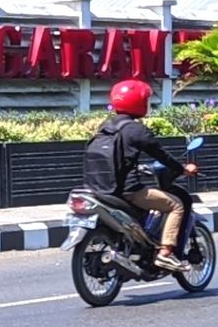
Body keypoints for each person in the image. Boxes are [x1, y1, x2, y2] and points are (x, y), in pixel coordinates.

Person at [83, 79, 198, 272]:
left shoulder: (107, 127)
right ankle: (165, 253)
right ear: (138, 102)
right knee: (176, 204)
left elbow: (121, 157)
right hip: (129, 192)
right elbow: (162, 155)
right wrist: (183, 168)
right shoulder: (136, 130)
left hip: (99, 189)